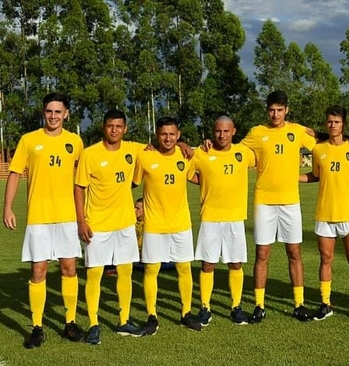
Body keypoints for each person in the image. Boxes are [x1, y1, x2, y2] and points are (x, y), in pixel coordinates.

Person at [3, 92, 85, 348]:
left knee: (69, 269)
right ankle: (37, 327)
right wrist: (7, 208)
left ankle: (69, 323)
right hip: (38, 218)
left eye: (58, 111)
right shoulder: (29, 140)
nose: (53, 116)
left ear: (66, 114)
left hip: (67, 218)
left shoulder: (76, 142)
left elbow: (86, 177)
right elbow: (15, 174)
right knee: (38, 272)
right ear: (43, 113)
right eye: (49, 111)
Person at [243, 90, 317, 323]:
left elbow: (320, 148)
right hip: (264, 201)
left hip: (290, 202)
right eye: (271, 110)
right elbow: (236, 151)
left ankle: (299, 304)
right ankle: (259, 305)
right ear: (267, 110)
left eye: (279, 110)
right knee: (262, 253)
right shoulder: (257, 132)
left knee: (294, 252)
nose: (275, 114)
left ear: (287, 110)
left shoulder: (296, 131)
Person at [75, 109, 147, 344]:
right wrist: (81, 221)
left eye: (118, 126)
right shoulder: (90, 154)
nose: (114, 130)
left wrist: (185, 144)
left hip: (125, 222)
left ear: (125, 129)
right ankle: (94, 324)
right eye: (110, 126)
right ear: (103, 127)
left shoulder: (132, 149)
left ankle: (124, 320)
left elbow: (160, 144)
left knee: (125, 272)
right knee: (94, 274)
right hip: (97, 224)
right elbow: (79, 188)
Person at [132, 116, 202, 334]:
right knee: (151, 269)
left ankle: (186, 313)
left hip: (181, 223)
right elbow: (130, 184)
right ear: (157, 135)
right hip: (154, 224)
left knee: (184, 268)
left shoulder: (185, 155)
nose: (168, 138)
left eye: (172, 134)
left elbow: (202, 172)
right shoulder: (144, 157)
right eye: (164, 134)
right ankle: (152, 316)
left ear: (178, 135)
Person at [300, 105, 349, 321]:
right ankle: (325, 303)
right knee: (325, 259)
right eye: (329, 121)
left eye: (336, 122)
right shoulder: (319, 149)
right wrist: (293, 177)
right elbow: (315, 176)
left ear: (343, 124)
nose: (332, 125)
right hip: (325, 213)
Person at [192, 116, 255, 326]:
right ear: (213, 131)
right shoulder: (202, 153)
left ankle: (236, 307)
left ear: (234, 131)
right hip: (210, 216)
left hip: (235, 218)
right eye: (218, 131)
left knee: (235, 263)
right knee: (207, 264)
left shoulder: (243, 153)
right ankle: (205, 308)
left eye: (226, 131)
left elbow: (265, 156)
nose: (222, 135)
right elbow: (183, 165)